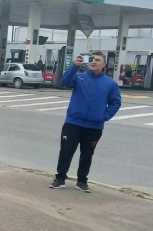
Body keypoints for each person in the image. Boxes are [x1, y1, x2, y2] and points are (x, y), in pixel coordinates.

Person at [50, 52, 121, 193]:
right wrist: (74, 66)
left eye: (98, 60)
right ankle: (60, 178)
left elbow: (115, 102)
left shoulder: (110, 84)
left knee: (87, 154)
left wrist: (103, 117)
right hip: (73, 123)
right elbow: (64, 82)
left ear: (104, 64)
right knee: (66, 152)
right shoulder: (79, 77)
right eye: (92, 59)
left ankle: (82, 181)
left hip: (94, 126)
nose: (94, 62)